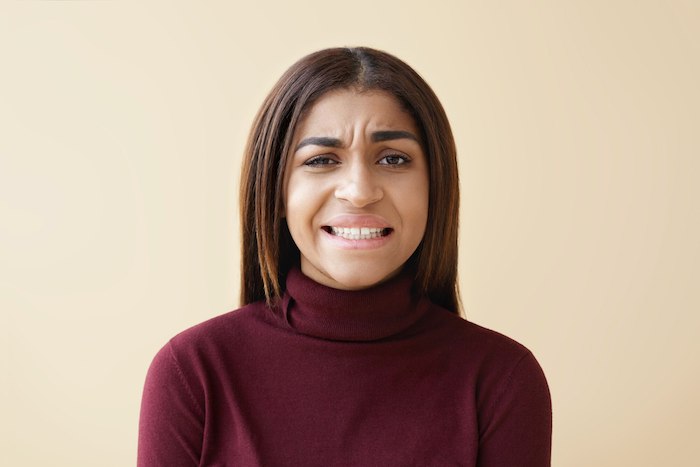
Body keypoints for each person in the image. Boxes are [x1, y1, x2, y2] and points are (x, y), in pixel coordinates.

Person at [137, 47, 552, 466]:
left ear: (434, 188)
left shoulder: (502, 381)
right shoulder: (192, 373)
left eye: (393, 159)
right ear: (277, 193)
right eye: (321, 160)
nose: (359, 190)